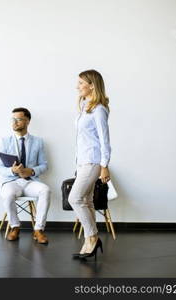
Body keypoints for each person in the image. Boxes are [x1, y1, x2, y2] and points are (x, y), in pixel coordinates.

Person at [68, 70, 111, 259]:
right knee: (86, 200)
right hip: (82, 161)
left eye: (80, 83)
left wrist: (104, 165)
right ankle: (89, 242)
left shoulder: (99, 109)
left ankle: (92, 237)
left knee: (74, 199)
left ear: (92, 85)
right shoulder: (86, 106)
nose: (77, 86)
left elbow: (104, 140)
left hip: (93, 160)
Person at [0, 107, 50, 244]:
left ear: (27, 121)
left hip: (30, 181)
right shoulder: (5, 141)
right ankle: (15, 227)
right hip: (12, 182)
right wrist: (12, 171)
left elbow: (44, 165)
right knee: (7, 194)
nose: (14, 122)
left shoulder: (38, 141)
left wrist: (31, 171)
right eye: (13, 119)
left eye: (18, 119)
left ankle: (38, 229)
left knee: (46, 190)